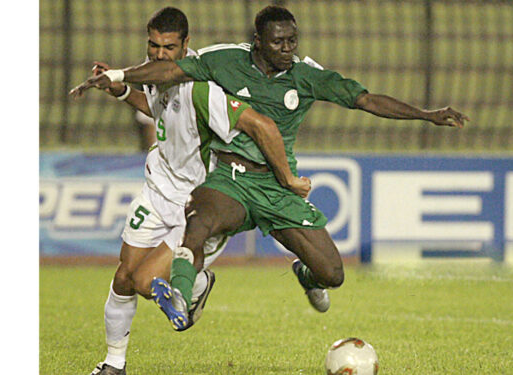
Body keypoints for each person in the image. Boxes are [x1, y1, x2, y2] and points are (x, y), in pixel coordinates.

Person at [70, 5, 470, 332]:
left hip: (277, 186)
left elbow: (365, 100)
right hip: (229, 178)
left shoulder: (308, 75)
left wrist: (426, 114)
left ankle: (305, 275)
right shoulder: (225, 60)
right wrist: (120, 77)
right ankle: (181, 296)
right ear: (257, 41)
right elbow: (169, 72)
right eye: (278, 41)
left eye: (292, 40)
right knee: (199, 221)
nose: (287, 48)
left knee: (332, 273)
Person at [73, 7, 311, 375]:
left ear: (187, 44)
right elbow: (155, 109)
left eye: (169, 47)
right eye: (153, 46)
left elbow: (259, 125)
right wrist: (121, 90)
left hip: (197, 203)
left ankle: (196, 281)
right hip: (157, 190)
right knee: (123, 277)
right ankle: (113, 365)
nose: (159, 54)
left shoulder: (205, 87)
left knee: (142, 281)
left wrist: (286, 179)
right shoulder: (154, 72)